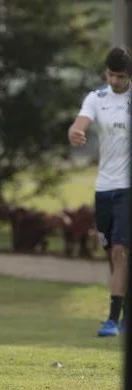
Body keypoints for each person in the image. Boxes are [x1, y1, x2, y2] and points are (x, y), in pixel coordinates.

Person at [68, 45, 131, 337]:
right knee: (112, 254)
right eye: (110, 75)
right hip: (104, 187)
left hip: (127, 188)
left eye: (119, 76)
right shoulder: (97, 97)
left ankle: (111, 320)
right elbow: (80, 122)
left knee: (120, 252)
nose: (114, 81)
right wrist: (75, 132)